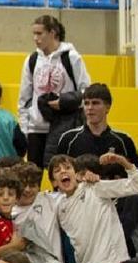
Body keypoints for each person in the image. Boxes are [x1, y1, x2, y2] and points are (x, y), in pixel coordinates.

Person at [18, 15, 90, 169]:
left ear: (52, 33)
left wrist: (65, 102)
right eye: (34, 34)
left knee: (62, 175)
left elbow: (86, 91)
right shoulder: (31, 60)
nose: (35, 38)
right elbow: (24, 98)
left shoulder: (71, 57)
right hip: (36, 128)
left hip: (63, 127)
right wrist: (25, 128)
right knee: (31, 178)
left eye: (39, 33)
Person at [59, 84, 138, 170]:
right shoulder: (68, 139)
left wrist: (122, 161)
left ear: (108, 107)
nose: (90, 108)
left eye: (95, 103)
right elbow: (58, 176)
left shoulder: (124, 141)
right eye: (86, 103)